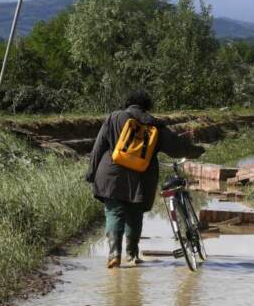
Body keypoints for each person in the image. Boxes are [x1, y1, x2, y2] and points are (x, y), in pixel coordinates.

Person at [86, 89, 204, 268]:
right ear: (147, 107)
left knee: (114, 212)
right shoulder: (156, 125)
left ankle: (114, 255)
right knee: (135, 214)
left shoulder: (114, 117)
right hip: (141, 178)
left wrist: (91, 173)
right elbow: (176, 148)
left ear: (128, 103)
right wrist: (196, 151)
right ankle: (132, 255)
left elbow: (98, 147)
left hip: (111, 174)